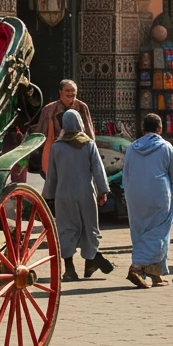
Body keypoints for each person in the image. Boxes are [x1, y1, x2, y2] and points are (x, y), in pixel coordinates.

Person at [42, 109, 113, 282]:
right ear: (80, 123)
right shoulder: (88, 144)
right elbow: (98, 170)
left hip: (63, 196)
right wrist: (103, 190)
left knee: (66, 229)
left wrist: (48, 196)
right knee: (90, 227)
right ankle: (91, 262)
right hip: (86, 194)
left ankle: (70, 270)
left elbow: (52, 175)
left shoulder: (56, 147)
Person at [122, 113, 173, 288]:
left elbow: (126, 174)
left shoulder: (132, 148)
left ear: (143, 129)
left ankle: (155, 273)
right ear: (160, 128)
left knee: (140, 231)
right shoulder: (165, 147)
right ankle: (137, 267)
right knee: (158, 232)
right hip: (159, 195)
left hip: (135, 196)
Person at [37, 79, 95, 177]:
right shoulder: (49, 110)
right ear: (61, 92)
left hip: (77, 152)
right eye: (68, 90)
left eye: (73, 91)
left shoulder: (82, 107)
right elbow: (41, 135)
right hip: (56, 153)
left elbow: (89, 133)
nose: (71, 93)